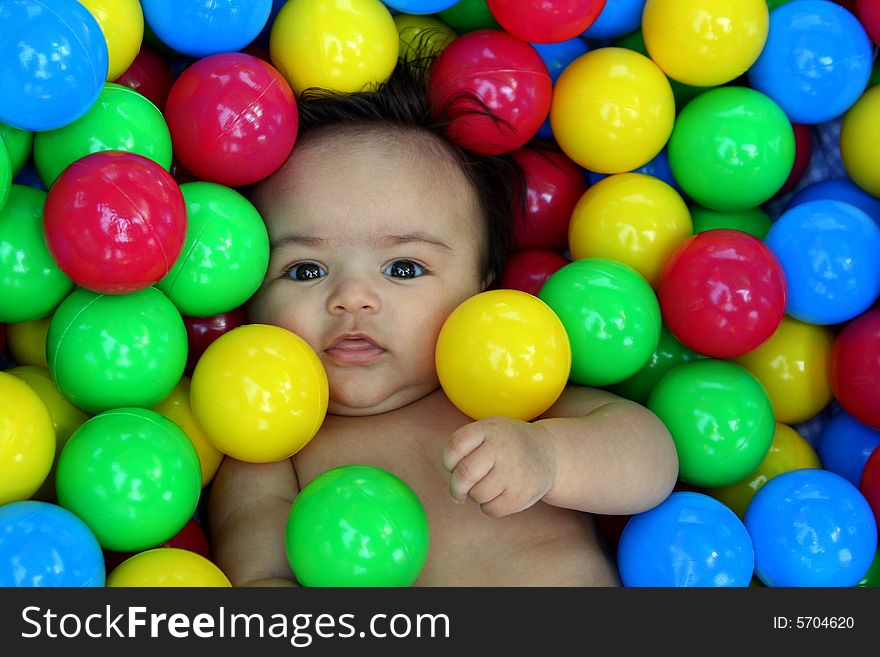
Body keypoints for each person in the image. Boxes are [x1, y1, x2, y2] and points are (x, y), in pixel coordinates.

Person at [207, 55, 679, 587]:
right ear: (249, 293)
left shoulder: (511, 391)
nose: (352, 298)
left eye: (403, 268)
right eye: (305, 269)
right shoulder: (267, 443)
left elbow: (652, 462)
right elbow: (260, 578)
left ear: (483, 289)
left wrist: (549, 457)